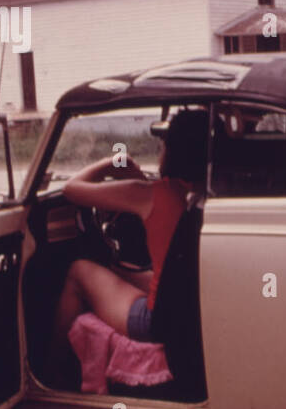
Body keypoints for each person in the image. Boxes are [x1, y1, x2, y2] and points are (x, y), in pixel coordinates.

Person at [48, 110, 211, 380]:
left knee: (78, 271)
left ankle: (55, 375)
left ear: (171, 151)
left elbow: (71, 189)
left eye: (162, 145)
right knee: (114, 270)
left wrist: (113, 163)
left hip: (158, 322)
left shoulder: (149, 194)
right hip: (187, 309)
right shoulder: (200, 195)